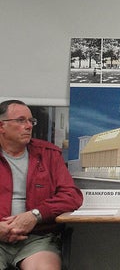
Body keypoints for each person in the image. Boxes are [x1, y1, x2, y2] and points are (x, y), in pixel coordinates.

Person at [0, 100, 83, 270]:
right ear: (2, 126)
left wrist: (35, 215)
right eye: (21, 120)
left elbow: (71, 196)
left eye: (31, 121)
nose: (29, 126)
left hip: (37, 238)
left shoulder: (48, 154)